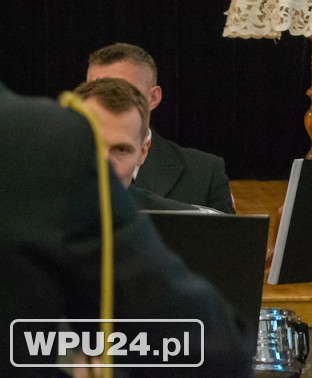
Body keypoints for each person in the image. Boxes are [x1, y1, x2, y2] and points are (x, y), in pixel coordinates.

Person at [0, 82, 251, 375]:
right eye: (94, 149)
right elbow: (213, 348)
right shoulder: (37, 139)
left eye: (120, 149)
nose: (105, 164)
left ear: (143, 151)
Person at [87, 42, 234, 213]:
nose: (105, 103)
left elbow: (226, 238)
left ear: (153, 97)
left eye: (121, 92)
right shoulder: (55, 171)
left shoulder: (204, 173)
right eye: (94, 90)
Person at [74, 77, 198, 212]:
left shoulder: (187, 225)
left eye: (120, 149)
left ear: (143, 152)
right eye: (91, 144)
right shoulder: (47, 214)